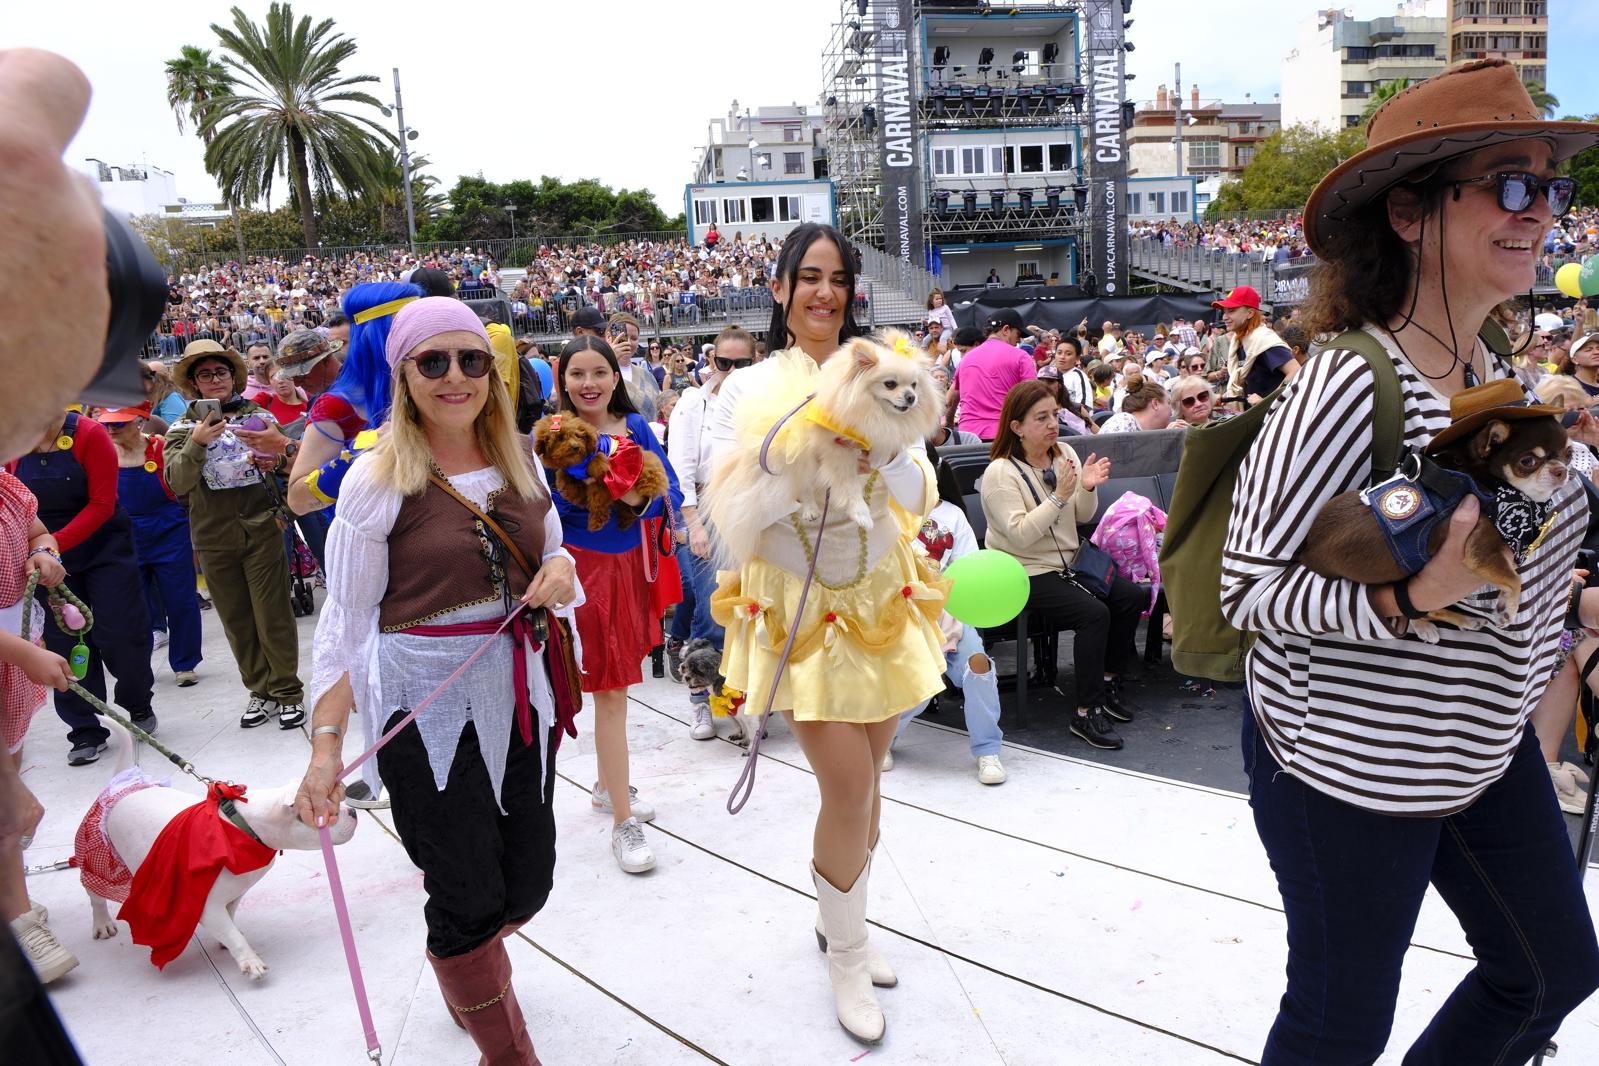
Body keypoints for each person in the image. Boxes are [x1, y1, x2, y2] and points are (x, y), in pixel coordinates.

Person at [1224, 59, 1599, 1062]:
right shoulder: (1348, 380)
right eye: (1510, 184)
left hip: (1474, 751)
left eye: (1548, 186)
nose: (1538, 211)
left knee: (1552, 967)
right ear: (1409, 213)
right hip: (1348, 765)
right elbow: (1245, 589)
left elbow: (1500, 557)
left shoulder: (1494, 371)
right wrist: (1403, 596)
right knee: (1340, 1021)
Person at [296, 296, 576, 1066]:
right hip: (425, 716)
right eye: (433, 362)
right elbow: (344, 627)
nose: (455, 377)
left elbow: (556, 554)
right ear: (402, 374)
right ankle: (506, 1046)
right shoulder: (374, 481)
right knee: (466, 899)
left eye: (470, 360)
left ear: (492, 369)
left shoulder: (518, 460)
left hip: (524, 701)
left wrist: (558, 569)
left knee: (527, 884)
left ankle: (464, 968)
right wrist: (326, 748)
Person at [708, 222, 948, 1045]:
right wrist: (811, 454)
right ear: (779, 289)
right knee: (846, 787)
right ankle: (845, 953)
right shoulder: (746, 389)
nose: (824, 291)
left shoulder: (887, 367)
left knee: (871, 777)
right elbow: (731, 512)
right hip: (797, 610)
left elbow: (918, 488)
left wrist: (887, 459)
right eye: (807, 276)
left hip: (881, 594)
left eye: (837, 277)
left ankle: (841, 919)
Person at [546, 334, 681, 874]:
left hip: (629, 568)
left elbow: (661, 493)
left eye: (598, 372)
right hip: (581, 573)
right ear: (563, 380)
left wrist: (624, 485)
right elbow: (550, 509)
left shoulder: (638, 427)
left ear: (615, 375)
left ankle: (608, 786)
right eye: (577, 374)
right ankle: (623, 820)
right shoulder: (553, 437)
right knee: (609, 693)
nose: (589, 384)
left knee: (615, 687)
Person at [980, 380, 1144, 750]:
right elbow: (1021, 535)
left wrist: (1085, 488)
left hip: (1072, 561)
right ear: (1017, 426)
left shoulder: (1064, 452)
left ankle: (1106, 680)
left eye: (1054, 414)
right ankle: (1086, 712)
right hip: (1025, 570)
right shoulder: (1000, 473)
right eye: (1041, 418)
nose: (1053, 423)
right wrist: (1058, 497)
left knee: (1130, 597)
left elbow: (1083, 515)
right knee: (1094, 614)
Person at [164, 340, 305, 730]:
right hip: (213, 538)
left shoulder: (258, 415)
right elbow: (177, 481)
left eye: (221, 372)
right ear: (194, 383)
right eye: (205, 375)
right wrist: (197, 443)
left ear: (232, 377)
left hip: (261, 529)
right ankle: (260, 691)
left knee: (273, 615)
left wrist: (283, 513)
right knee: (237, 621)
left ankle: (288, 692)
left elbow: (288, 464)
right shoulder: (180, 430)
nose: (215, 381)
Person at [13, 406, 156, 764]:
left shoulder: (90, 434)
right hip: (46, 556)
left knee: (121, 633)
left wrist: (52, 544)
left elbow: (103, 503)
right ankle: (86, 728)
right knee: (65, 641)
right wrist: (40, 551)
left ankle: (136, 702)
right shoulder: (13, 441)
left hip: (104, 548)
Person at [883, 454, 1006, 784]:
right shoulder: (882, 511)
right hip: (898, 617)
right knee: (919, 683)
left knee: (978, 664)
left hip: (949, 613)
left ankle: (988, 750)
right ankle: (882, 742)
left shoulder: (951, 515)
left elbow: (967, 571)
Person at [665, 326, 749, 738]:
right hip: (705, 508)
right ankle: (701, 700)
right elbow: (680, 469)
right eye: (724, 362)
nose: (731, 370)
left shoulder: (760, 405)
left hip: (750, 509)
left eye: (742, 363)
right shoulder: (692, 405)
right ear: (712, 360)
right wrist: (694, 524)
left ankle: (739, 702)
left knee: (750, 610)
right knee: (711, 610)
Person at [285, 283, 419, 519]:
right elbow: (298, 499)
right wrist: (365, 446)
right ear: (381, 336)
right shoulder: (336, 405)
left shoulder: (434, 386)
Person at [100, 405, 200, 687]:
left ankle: (185, 663)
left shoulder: (160, 447)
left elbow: (183, 482)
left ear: (140, 421)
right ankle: (138, 666)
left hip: (168, 530)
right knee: (134, 605)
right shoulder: (104, 453)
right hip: (125, 533)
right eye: (108, 424)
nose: (111, 429)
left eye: (119, 423)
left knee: (181, 599)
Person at [946, 309, 1036, 441]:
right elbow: (1032, 398)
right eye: (1017, 334)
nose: (1018, 340)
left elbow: (951, 400)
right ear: (1006, 330)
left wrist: (948, 425)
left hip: (968, 437)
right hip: (1006, 435)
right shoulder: (1021, 356)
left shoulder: (966, 359)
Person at [1215, 284, 1297, 406]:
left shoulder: (1264, 340)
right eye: (1224, 312)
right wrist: (1225, 398)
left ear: (1250, 313)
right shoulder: (1239, 341)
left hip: (1272, 419)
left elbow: (1296, 371)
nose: (1225, 317)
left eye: (1231, 311)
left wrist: (1269, 403)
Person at [1100, 373, 1181, 434]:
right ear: (1155, 404)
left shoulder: (1149, 431)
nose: (1171, 410)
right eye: (1168, 403)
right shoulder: (1123, 421)